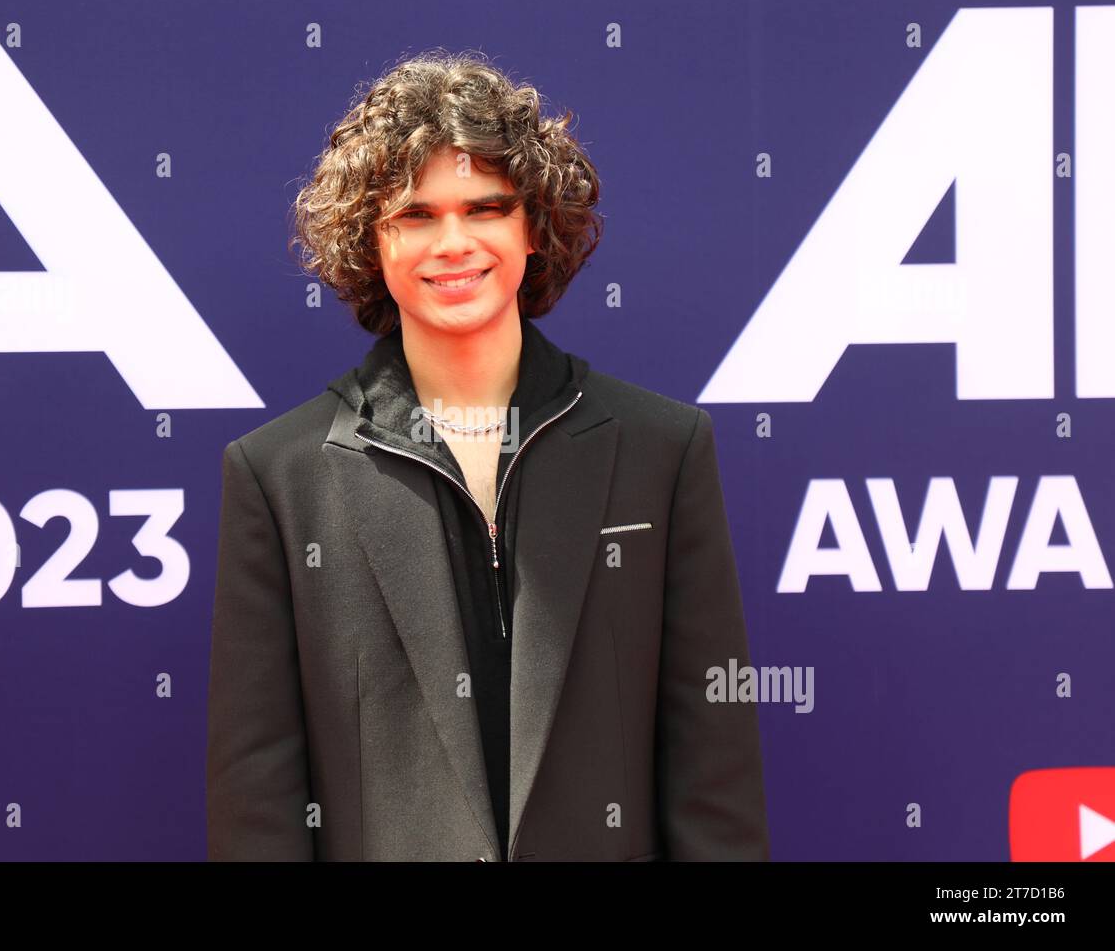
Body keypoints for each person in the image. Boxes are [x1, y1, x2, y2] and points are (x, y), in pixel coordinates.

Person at [206, 49, 769, 861]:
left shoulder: (662, 450)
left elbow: (714, 778)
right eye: (416, 215)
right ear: (371, 240)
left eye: (486, 208)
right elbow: (257, 803)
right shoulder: (279, 478)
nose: (454, 242)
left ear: (533, 227)